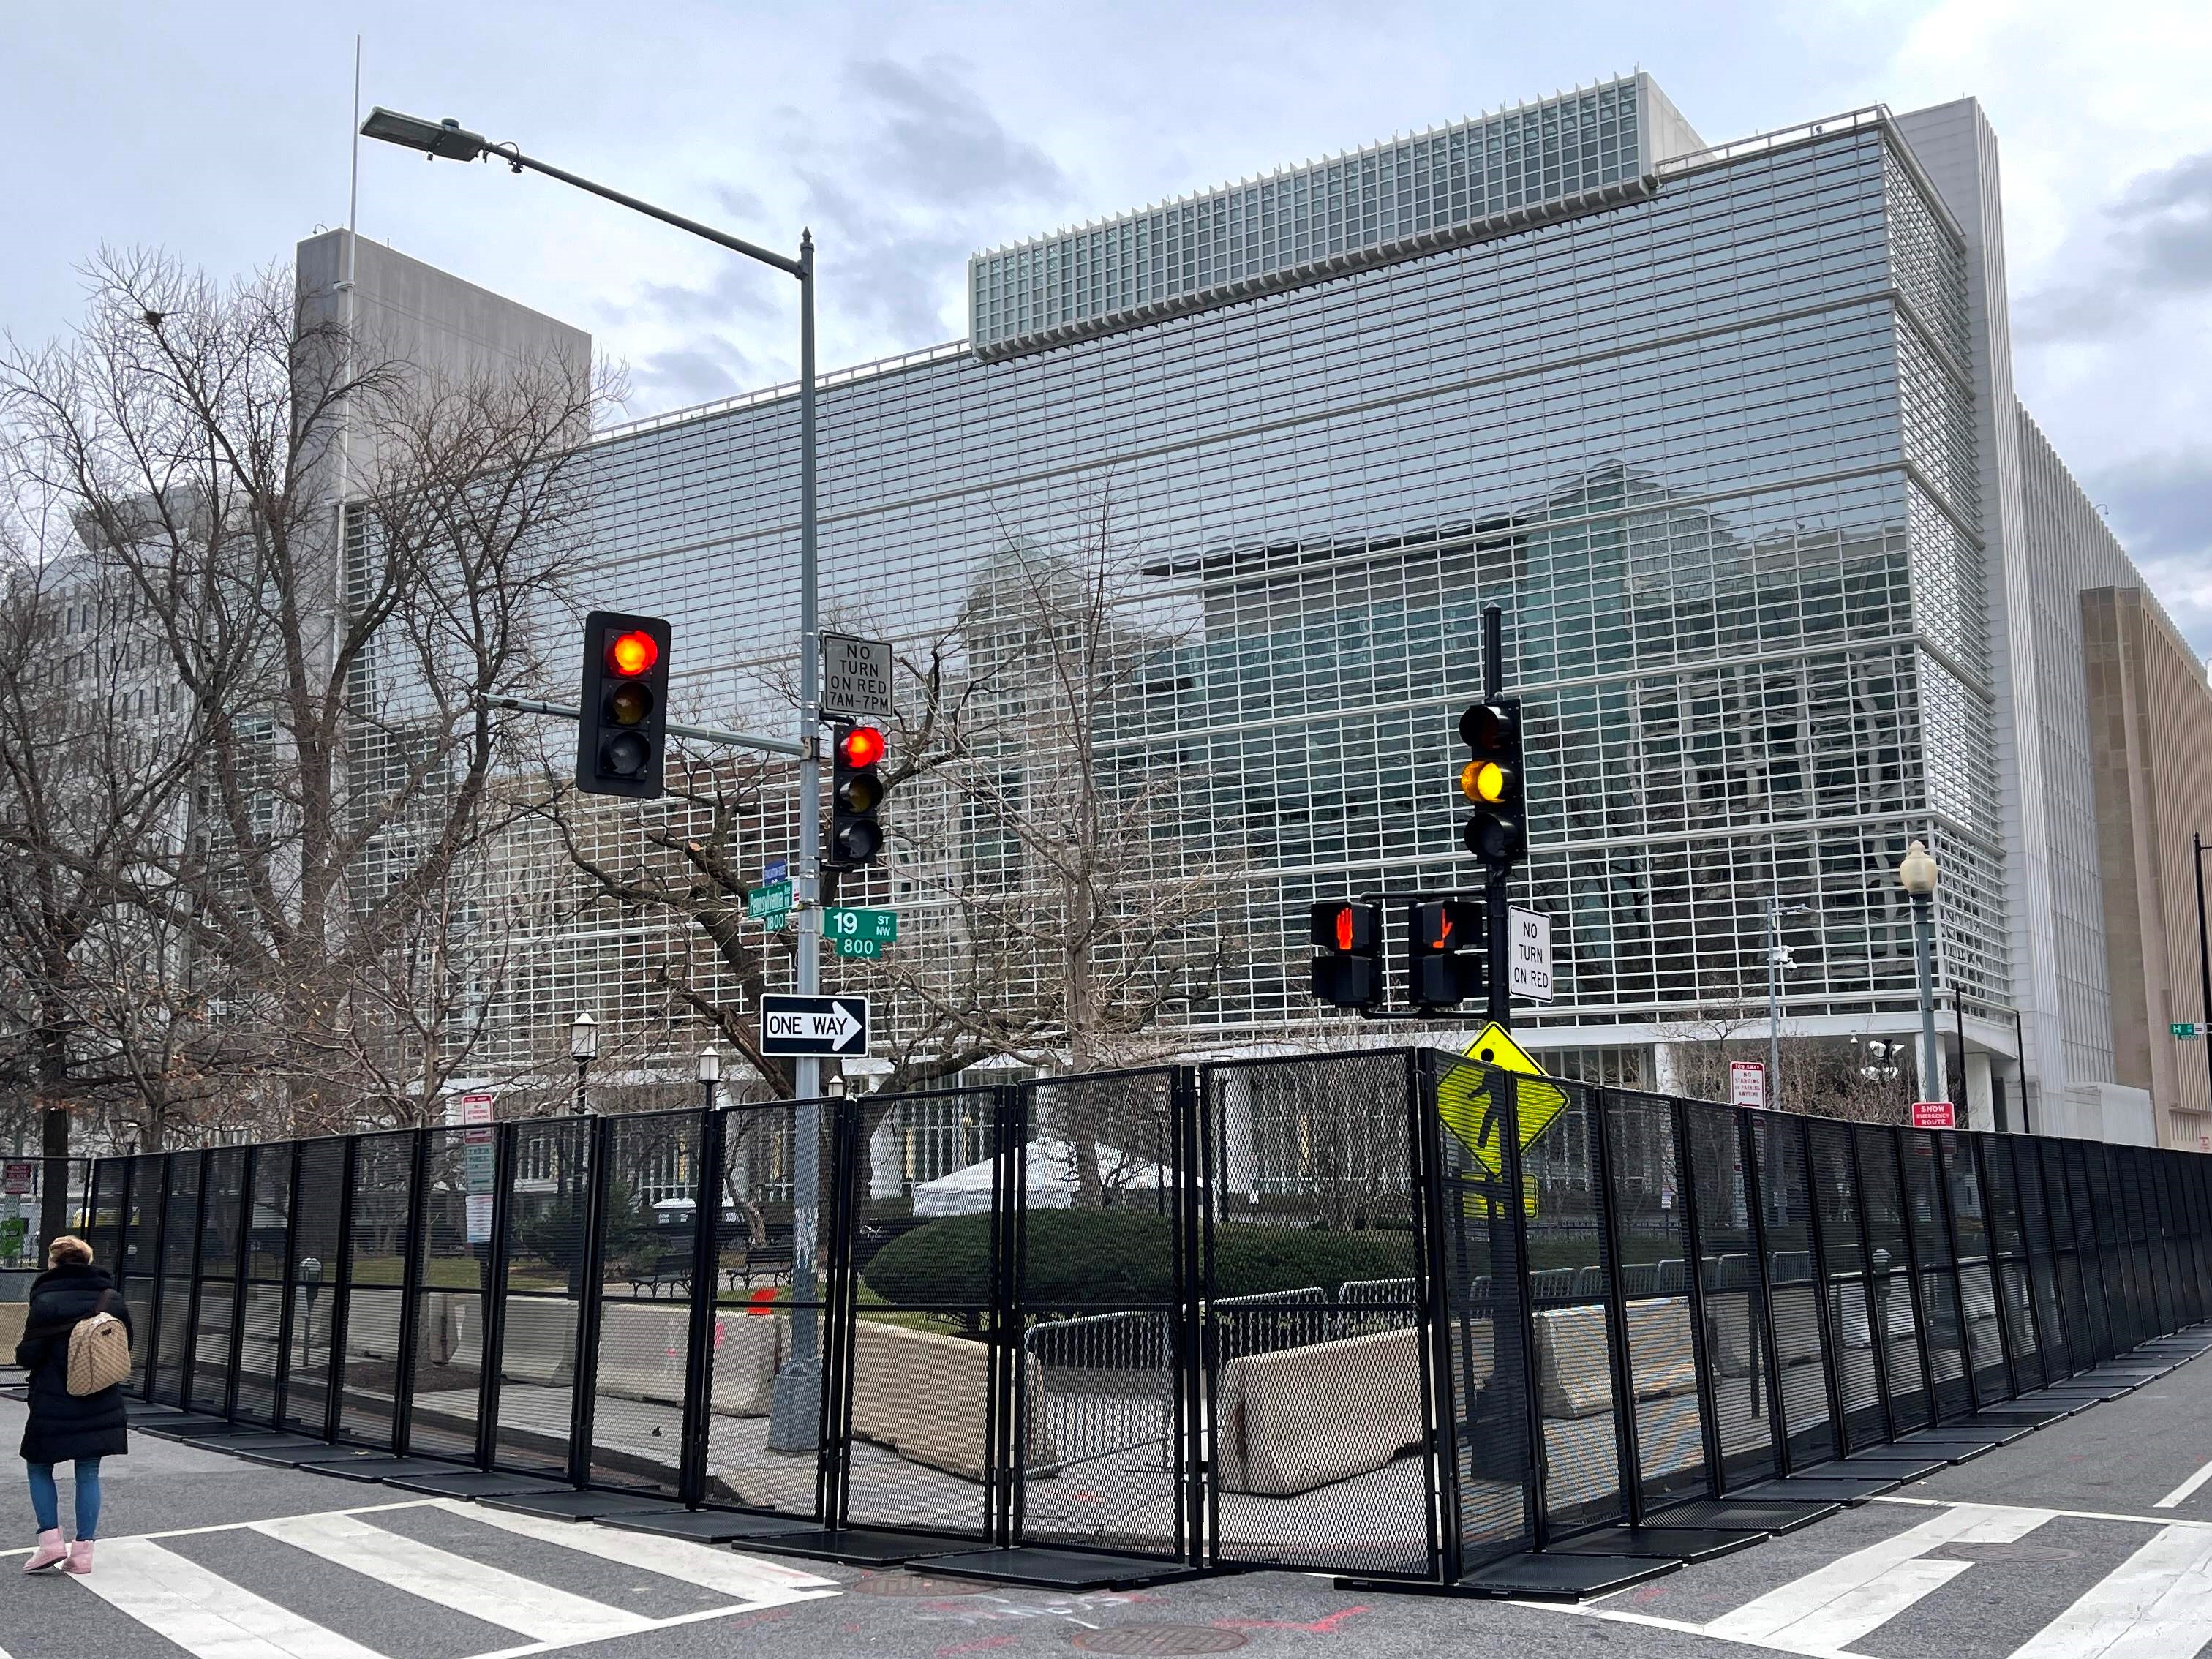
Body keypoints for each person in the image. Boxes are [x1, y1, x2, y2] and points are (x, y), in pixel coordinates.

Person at [16, 1235, 129, 1576]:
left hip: (54, 1397)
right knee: (88, 1471)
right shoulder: (111, 1298)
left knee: (39, 1466)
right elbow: (126, 1345)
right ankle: (83, 1553)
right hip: (101, 1395)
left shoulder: (46, 1299)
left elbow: (28, 1355)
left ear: (53, 1263)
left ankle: (50, 1541)